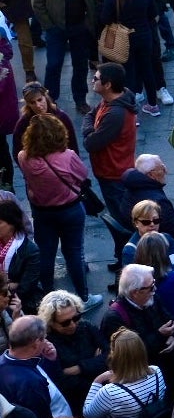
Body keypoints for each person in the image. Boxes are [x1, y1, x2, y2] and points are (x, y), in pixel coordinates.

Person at [17, 114, 94, 306]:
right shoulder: (67, 156)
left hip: (42, 211)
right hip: (70, 209)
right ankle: (83, 298)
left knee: (45, 254)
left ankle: (48, 300)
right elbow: (83, 175)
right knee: (74, 253)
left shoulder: (23, 157)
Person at [33, 0, 102, 113]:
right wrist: (49, 25)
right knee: (54, 64)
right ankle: (50, 100)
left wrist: (90, 22)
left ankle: (80, 100)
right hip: (56, 28)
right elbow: (37, 0)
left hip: (80, 26)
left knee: (80, 65)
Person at [81, 327, 167, 418]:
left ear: (116, 356)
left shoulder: (111, 392)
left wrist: (97, 381)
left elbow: (89, 414)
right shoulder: (157, 372)